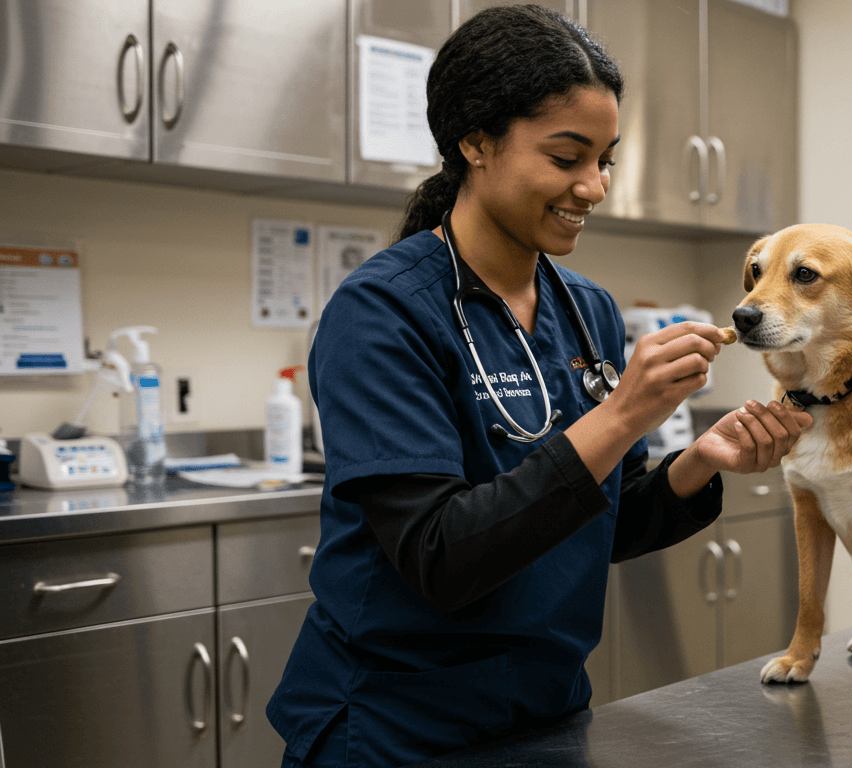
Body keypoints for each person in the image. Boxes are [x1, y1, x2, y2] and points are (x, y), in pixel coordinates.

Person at [266, 6, 811, 766]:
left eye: (606, 159)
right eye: (566, 157)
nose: (594, 186)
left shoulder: (584, 309)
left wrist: (700, 462)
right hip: (395, 726)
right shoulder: (382, 313)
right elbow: (441, 557)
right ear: (476, 141)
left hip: (544, 713)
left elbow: (599, 522)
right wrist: (622, 414)